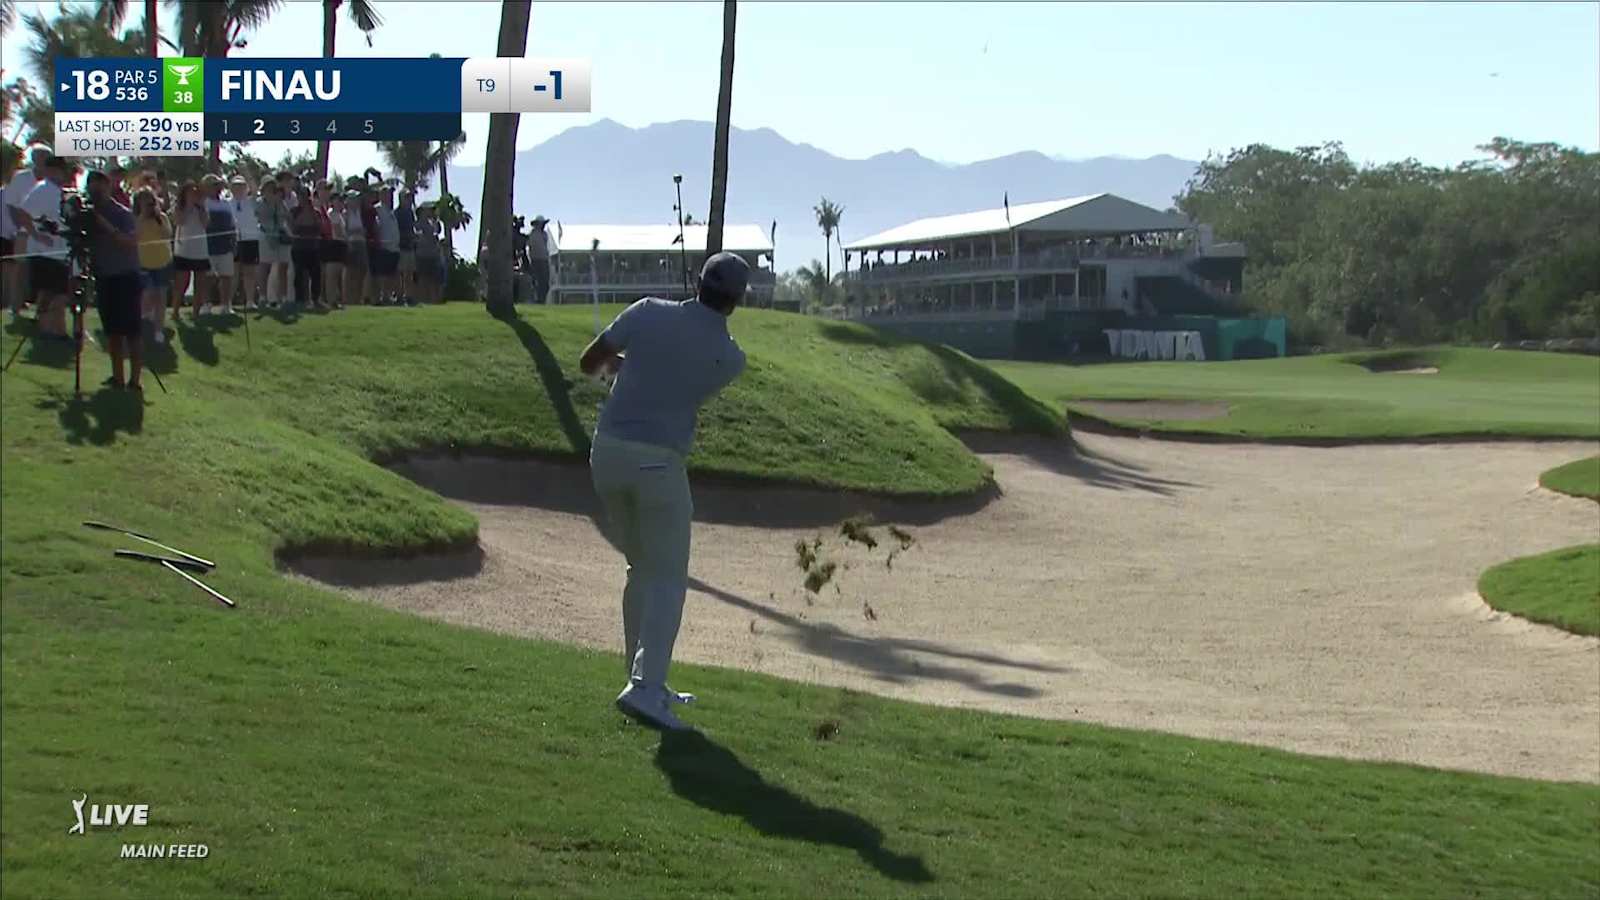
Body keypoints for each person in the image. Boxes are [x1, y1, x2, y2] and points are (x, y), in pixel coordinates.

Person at [578, 252, 751, 731]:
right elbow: (679, 378)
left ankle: (641, 677)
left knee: (642, 569)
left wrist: (621, 367)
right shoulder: (730, 359)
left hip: (606, 454)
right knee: (669, 577)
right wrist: (638, 367)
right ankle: (645, 687)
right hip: (657, 463)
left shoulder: (647, 310)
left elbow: (589, 362)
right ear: (736, 301)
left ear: (697, 281)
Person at [85, 170, 144, 390]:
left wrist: (103, 223)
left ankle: (135, 380)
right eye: (91, 188)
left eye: (99, 188)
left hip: (126, 276)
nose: (95, 193)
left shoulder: (121, 213)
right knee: (112, 332)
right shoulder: (87, 213)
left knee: (132, 331)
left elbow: (129, 241)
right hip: (104, 276)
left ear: (108, 188)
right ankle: (117, 377)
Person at [15, 155, 74, 338]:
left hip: (59, 251)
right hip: (45, 252)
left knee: (59, 292)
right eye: (57, 170)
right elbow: (23, 213)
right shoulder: (42, 189)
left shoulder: (61, 192)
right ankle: (47, 329)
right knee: (50, 292)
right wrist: (37, 235)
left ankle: (57, 328)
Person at [3, 145, 51, 320]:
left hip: (44, 233)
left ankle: (40, 308)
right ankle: (15, 305)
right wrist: (19, 226)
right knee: (19, 268)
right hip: (23, 231)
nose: (43, 160)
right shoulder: (21, 178)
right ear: (34, 158)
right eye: (40, 156)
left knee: (43, 269)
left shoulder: (50, 180)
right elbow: (11, 204)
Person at [132, 187, 173, 345]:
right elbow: (135, 235)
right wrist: (142, 216)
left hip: (162, 262)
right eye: (145, 202)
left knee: (161, 296)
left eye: (151, 201)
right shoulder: (135, 219)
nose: (149, 205)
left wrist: (157, 217)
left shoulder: (162, 217)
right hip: (143, 263)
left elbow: (167, 234)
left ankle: (158, 330)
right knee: (147, 295)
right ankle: (143, 320)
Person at [170, 182, 210, 321]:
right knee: (182, 282)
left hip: (200, 250)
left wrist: (200, 208)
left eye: (195, 192)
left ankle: (195, 313)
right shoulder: (179, 207)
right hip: (184, 249)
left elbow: (205, 224)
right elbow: (179, 221)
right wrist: (188, 206)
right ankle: (175, 311)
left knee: (200, 282)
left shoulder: (201, 208)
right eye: (191, 192)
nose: (194, 194)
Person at [200, 175, 236, 313]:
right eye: (214, 185)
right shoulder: (204, 203)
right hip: (208, 245)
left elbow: (232, 224)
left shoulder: (226, 203)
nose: (217, 188)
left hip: (225, 244)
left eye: (218, 185)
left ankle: (226, 305)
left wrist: (233, 241)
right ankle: (206, 304)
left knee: (226, 276)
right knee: (208, 277)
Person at [256, 180, 291, 308]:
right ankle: (263, 296)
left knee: (283, 266)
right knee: (265, 266)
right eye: (269, 189)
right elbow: (262, 216)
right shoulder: (260, 203)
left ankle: (283, 297)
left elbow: (287, 217)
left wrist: (279, 203)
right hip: (266, 236)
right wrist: (272, 203)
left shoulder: (280, 203)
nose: (272, 192)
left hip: (281, 236)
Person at [229, 175, 261, 310]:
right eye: (236, 186)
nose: (239, 189)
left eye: (242, 186)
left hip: (250, 239)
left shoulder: (251, 201)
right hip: (233, 240)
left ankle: (250, 301)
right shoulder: (227, 203)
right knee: (233, 273)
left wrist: (246, 172)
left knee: (250, 272)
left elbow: (255, 189)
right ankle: (228, 302)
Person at [289, 185, 323, 307]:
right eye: (301, 196)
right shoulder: (294, 211)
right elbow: (293, 227)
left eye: (305, 196)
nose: (303, 199)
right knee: (299, 274)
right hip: (298, 247)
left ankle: (316, 299)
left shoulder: (316, 212)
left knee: (316, 274)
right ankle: (300, 300)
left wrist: (311, 211)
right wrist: (304, 213)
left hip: (313, 247)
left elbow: (319, 227)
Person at [371, 184, 400, 304]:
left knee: (390, 274)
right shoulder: (377, 209)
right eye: (387, 193)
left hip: (394, 247)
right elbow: (376, 226)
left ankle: (388, 296)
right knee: (382, 274)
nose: (389, 196)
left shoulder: (391, 211)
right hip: (384, 246)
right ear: (381, 195)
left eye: (390, 194)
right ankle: (381, 296)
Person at [413, 202, 443, 304]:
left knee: (433, 279)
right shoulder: (417, 223)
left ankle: (432, 300)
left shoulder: (432, 223)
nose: (431, 211)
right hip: (422, 254)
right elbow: (418, 236)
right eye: (428, 210)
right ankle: (423, 299)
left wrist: (436, 219)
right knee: (422, 279)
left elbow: (437, 231)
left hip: (433, 255)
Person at [343, 187, 369, 305]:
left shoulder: (361, 213)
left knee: (361, 271)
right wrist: (355, 231)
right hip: (351, 243)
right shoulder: (345, 213)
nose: (357, 201)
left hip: (361, 243)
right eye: (354, 199)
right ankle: (348, 299)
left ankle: (358, 298)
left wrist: (362, 231)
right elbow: (344, 230)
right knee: (350, 273)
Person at [322, 188, 347, 309]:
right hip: (334, 244)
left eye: (341, 201)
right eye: (338, 200)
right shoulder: (332, 213)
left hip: (340, 245)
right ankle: (331, 299)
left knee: (337, 274)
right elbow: (337, 231)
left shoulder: (340, 215)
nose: (340, 203)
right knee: (331, 274)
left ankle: (335, 299)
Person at [395, 189, 417, 304]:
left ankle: (409, 296)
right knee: (401, 273)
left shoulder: (410, 213)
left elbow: (412, 227)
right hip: (401, 246)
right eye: (406, 197)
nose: (409, 200)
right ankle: (400, 295)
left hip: (410, 246)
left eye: (409, 197)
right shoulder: (397, 213)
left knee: (409, 273)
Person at [528, 214, 551, 304]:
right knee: (537, 282)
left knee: (545, 283)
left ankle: (542, 300)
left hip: (544, 260)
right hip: (536, 260)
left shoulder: (545, 234)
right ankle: (537, 300)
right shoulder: (532, 234)